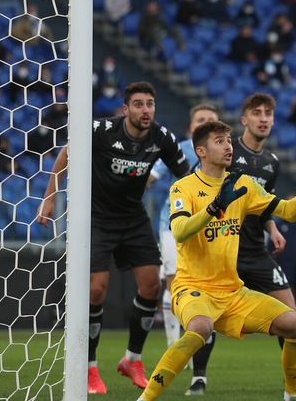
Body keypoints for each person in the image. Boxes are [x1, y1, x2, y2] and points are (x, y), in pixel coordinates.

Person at [134, 120, 296, 401]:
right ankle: (145, 399)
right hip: (191, 288)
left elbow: (289, 212)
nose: (228, 146)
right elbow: (180, 230)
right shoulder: (183, 188)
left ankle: (293, 395)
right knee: (200, 327)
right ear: (201, 150)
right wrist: (214, 207)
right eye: (219, 141)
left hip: (232, 292)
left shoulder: (241, 184)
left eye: (229, 141)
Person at [36, 82, 191, 394]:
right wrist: (49, 198)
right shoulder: (102, 130)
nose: (145, 110)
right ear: (126, 109)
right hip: (97, 218)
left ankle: (132, 359)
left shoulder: (162, 137)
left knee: (151, 285)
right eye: (138, 104)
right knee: (96, 290)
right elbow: (66, 153)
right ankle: (89, 368)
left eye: (150, 104)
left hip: (133, 217)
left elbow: (186, 176)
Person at [186, 93, 296, 394]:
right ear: (244, 120)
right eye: (257, 113)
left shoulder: (271, 162)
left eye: (269, 113)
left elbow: (262, 203)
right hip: (223, 248)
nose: (263, 118)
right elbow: (200, 188)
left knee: (292, 316)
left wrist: (272, 228)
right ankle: (198, 377)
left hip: (254, 249)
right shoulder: (226, 150)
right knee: (207, 314)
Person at [148, 103, 220, 353]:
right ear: (191, 127)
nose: (206, 123)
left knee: (202, 288)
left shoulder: (225, 154)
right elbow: (150, 178)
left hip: (209, 228)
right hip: (173, 225)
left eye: (211, 119)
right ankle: (174, 348)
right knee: (174, 282)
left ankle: (194, 344)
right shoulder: (177, 150)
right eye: (201, 119)